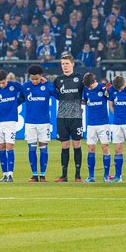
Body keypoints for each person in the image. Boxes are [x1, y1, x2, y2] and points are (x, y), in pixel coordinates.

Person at [20, 64, 58, 182]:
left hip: (44, 122)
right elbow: (18, 100)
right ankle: (34, 175)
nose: (34, 81)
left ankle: (42, 175)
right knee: (31, 149)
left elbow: (58, 96)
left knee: (43, 149)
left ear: (41, 76)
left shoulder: (47, 86)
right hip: (30, 123)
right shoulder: (25, 87)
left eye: (36, 78)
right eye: (32, 79)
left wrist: (49, 83)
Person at [51, 52, 84, 182]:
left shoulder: (80, 78)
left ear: (72, 64)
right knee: (64, 146)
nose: (64, 66)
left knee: (76, 144)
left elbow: (90, 88)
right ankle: (64, 175)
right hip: (62, 117)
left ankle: (78, 175)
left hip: (76, 117)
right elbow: (52, 92)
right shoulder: (57, 80)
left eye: (66, 63)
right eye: (62, 64)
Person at [81, 73, 110, 183]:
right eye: (87, 86)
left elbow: (110, 96)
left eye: (90, 86)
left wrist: (108, 90)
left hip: (103, 123)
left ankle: (106, 176)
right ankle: (91, 176)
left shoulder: (102, 88)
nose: (89, 88)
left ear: (95, 81)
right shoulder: (85, 89)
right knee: (91, 149)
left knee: (105, 148)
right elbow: (84, 101)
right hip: (91, 124)